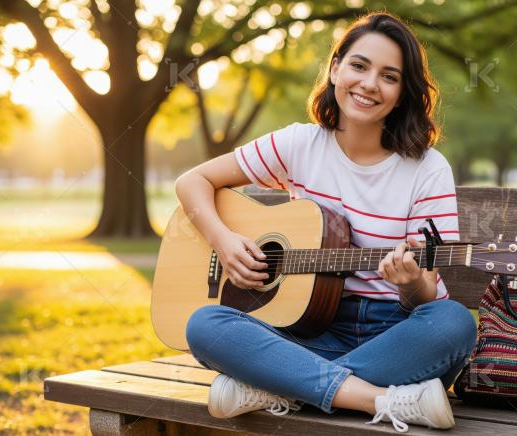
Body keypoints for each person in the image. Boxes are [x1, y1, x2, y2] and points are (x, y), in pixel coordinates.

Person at [176, 12, 476, 433]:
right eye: (359, 65)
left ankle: (277, 388)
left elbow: (425, 298)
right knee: (205, 325)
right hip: (305, 328)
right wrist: (224, 241)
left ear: (403, 92)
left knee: (454, 324)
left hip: (393, 334)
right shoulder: (300, 144)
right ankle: (380, 400)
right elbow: (193, 180)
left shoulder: (427, 169)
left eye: (389, 76)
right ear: (335, 68)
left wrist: (409, 283)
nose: (369, 84)